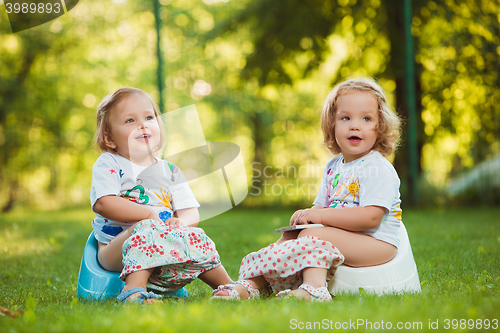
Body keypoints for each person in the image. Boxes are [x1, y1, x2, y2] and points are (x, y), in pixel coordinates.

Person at [212, 77, 402, 302]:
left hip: (377, 243)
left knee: (313, 234)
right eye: (345, 118)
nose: (355, 125)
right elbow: (321, 207)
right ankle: (251, 285)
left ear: (380, 126)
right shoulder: (334, 167)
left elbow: (370, 218)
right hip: (346, 237)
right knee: (291, 235)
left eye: (366, 118)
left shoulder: (377, 167)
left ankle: (314, 289)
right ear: (332, 123)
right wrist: (308, 216)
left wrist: (318, 218)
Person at [90, 87, 232, 304]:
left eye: (149, 117)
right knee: (146, 228)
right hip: (117, 250)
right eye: (130, 120)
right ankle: (134, 291)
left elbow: (190, 212)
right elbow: (103, 203)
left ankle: (228, 287)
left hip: (164, 245)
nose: (142, 124)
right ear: (109, 138)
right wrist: (147, 213)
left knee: (198, 236)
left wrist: (181, 223)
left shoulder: (170, 171)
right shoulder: (110, 163)